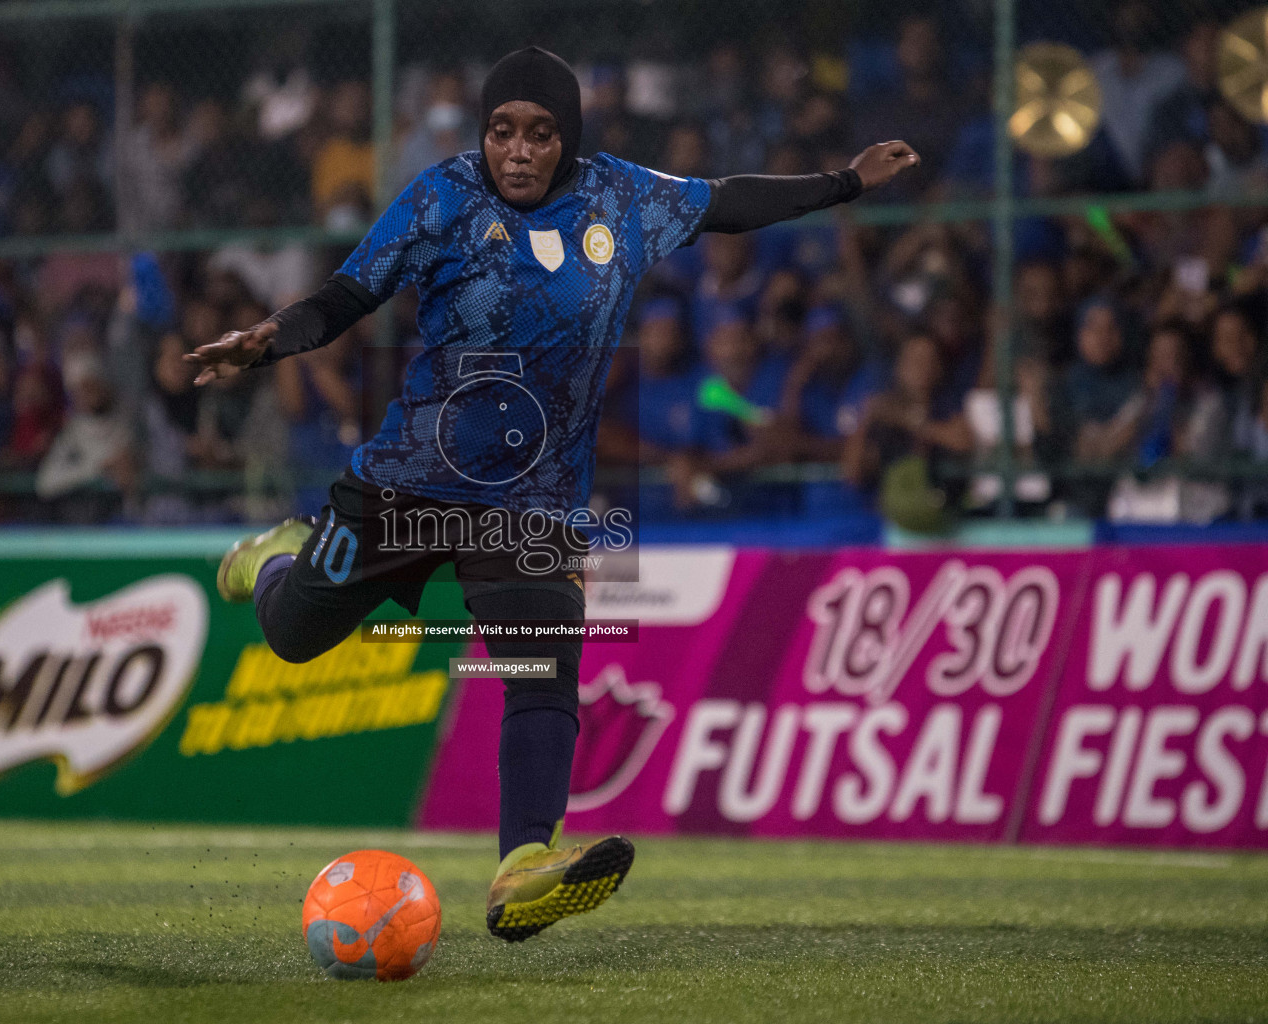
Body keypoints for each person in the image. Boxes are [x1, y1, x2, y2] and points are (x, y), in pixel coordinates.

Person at [185, 46, 918, 942]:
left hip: (533, 496)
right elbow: (349, 292)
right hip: (408, 477)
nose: (518, 151)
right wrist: (270, 337)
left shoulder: (623, 196)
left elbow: (727, 200)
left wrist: (844, 181)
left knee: (542, 668)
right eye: (502, 132)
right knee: (294, 636)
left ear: (568, 139)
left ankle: (523, 862)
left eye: (539, 134)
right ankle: (275, 560)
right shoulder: (442, 195)